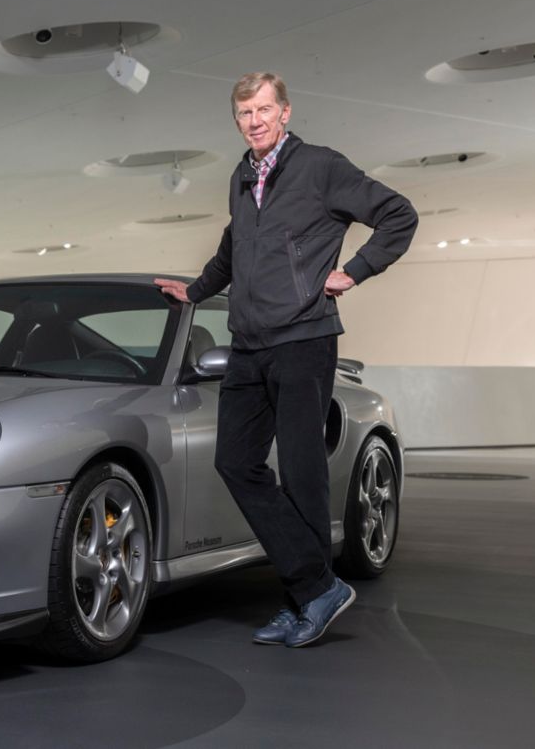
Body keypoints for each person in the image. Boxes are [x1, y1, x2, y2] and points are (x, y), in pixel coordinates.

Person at [156, 72, 417, 648]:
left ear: (285, 112)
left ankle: (305, 596)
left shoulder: (320, 166)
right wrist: (196, 292)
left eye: (264, 109)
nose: (255, 121)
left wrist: (355, 270)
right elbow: (233, 247)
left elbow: (399, 214)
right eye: (244, 112)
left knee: (301, 472)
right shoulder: (242, 175)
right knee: (235, 462)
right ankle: (317, 587)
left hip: (304, 337)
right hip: (249, 342)